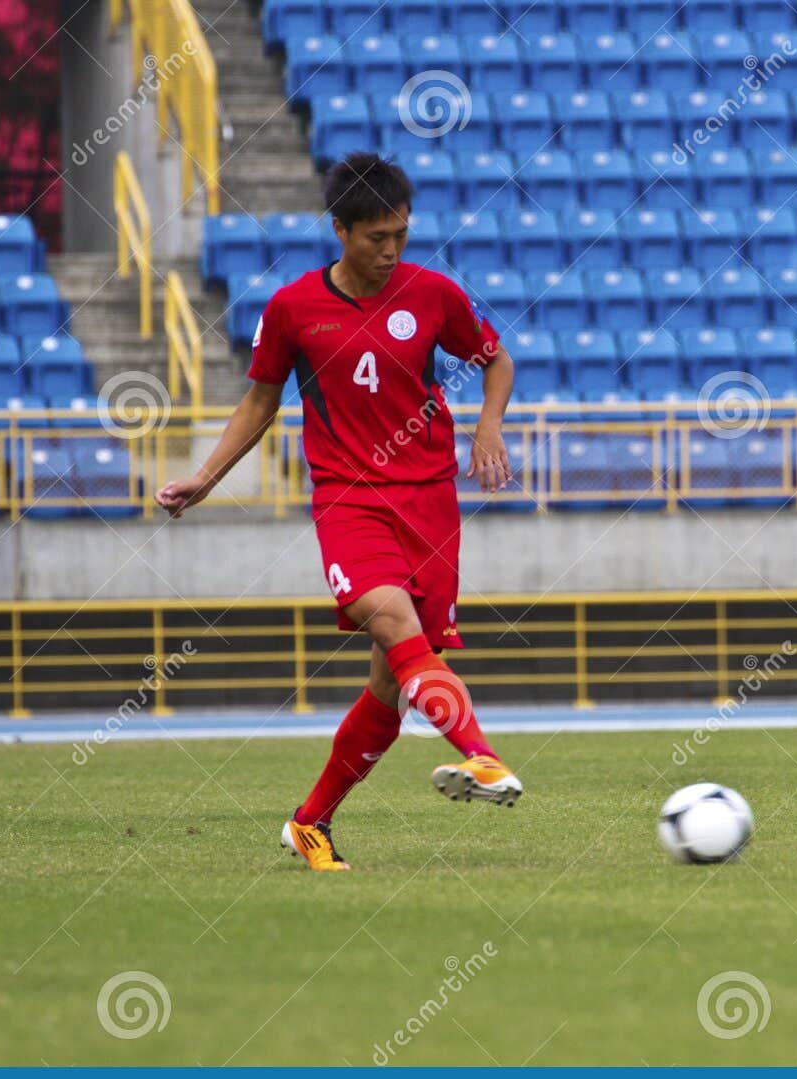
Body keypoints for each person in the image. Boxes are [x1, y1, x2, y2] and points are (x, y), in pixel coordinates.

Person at [155, 153, 522, 872]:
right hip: (349, 498)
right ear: (340, 230)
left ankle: (310, 823)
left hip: (429, 505)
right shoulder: (294, 308)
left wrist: (489, 425)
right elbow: (260, 400)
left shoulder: (434, 293)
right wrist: (205, 476)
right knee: (391, 619)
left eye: (401, 236)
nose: (390, 251)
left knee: (394, 678)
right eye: (376, 237)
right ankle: (480, 755)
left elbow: (496, 360)